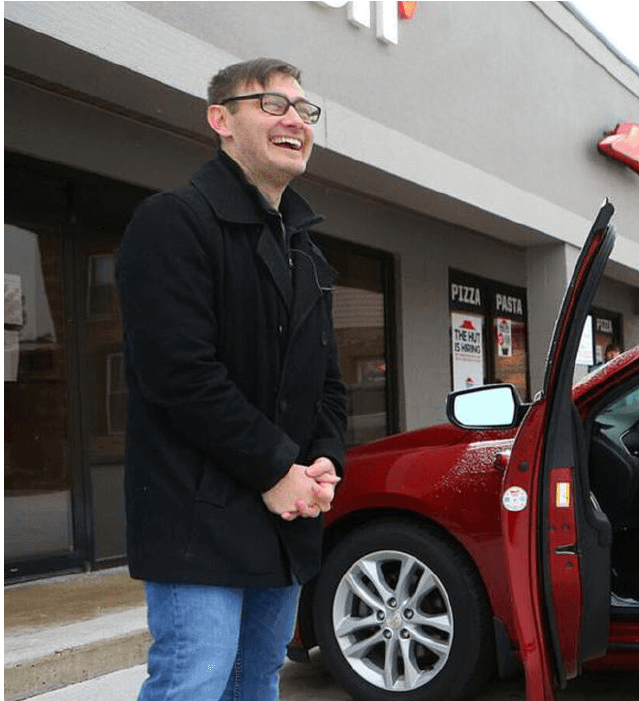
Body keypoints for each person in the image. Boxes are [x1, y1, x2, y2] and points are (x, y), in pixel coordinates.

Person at [118, 58, 347, 701]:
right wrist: (278, 470)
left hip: (286, 516)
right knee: (194, 680)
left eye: (304, 110)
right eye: (273, 105)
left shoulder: (306, 249)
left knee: (256, 682)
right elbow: (179, 375)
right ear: (221, 119)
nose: (295, 121)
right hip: (197, 513)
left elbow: (327, 384)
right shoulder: (173, 222)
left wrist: (324, 461)